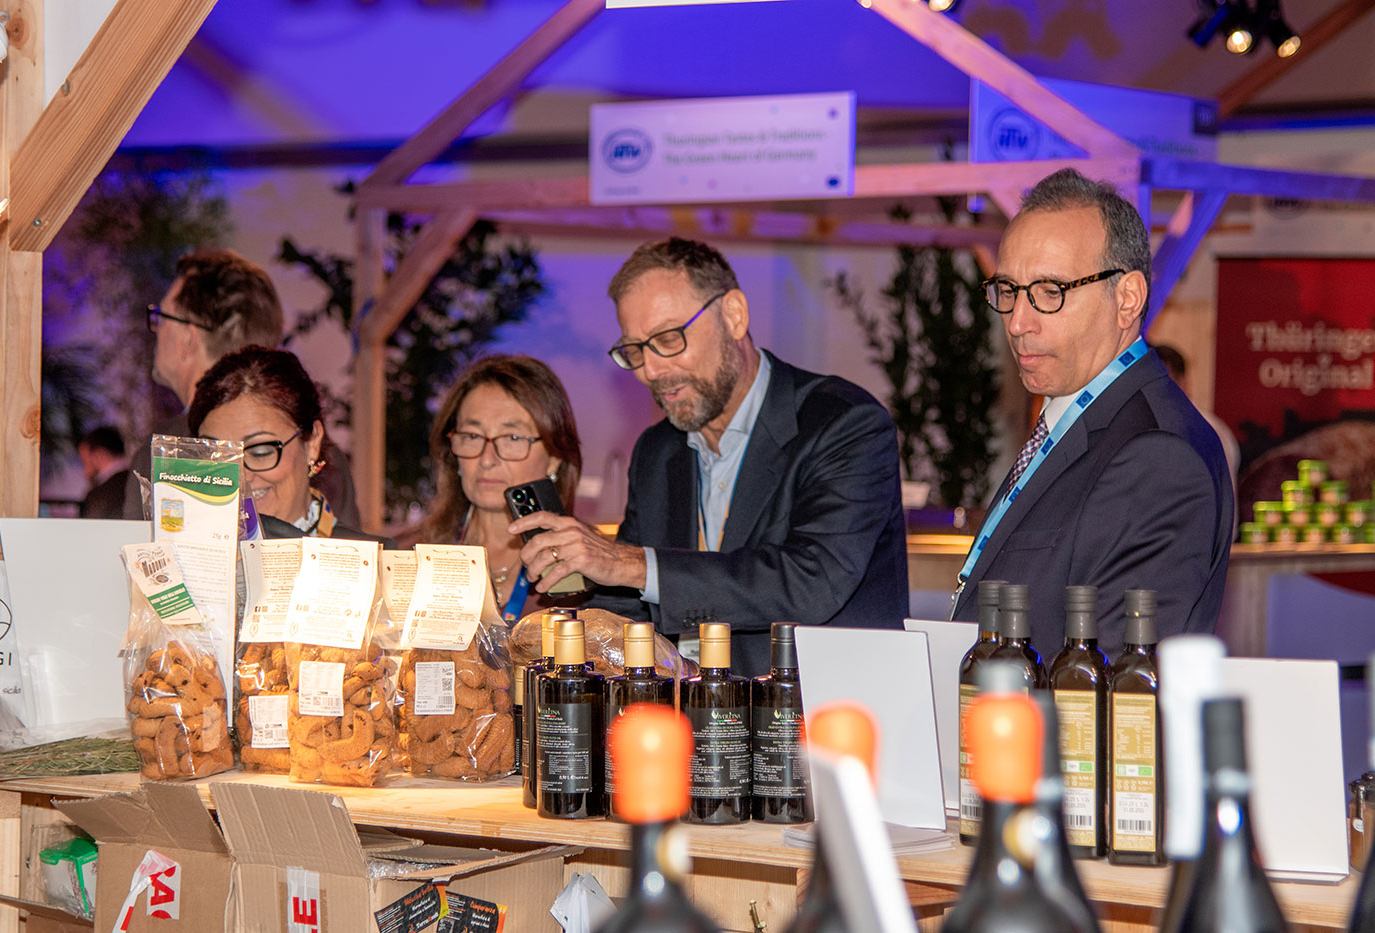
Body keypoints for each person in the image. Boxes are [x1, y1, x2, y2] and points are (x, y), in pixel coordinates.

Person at [509, 237, 909, 677]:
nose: (651, 371)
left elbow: (812, 581)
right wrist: (558, 607)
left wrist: (625, 562)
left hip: (825, 710)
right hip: (684, 712)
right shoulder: (658, 451)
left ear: (734, 315)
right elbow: (634, 603)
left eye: (668, 338)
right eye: (635, 351)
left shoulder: (843, 422)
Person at [950, 168, 1233, 657]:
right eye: (1009, 291)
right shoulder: (1078, 420)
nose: (1017, 322)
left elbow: (1109, 675)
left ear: (1127, 299)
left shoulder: (1158, 456)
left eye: (1049, 292)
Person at [123, 248, 360, 527]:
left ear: (188, 338)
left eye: (161, 318)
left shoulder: (165, 455)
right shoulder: (320, 454)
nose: (244, 474)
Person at [406, 355, 584, 621]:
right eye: (472, 436)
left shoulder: (588, 569)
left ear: (554, 457)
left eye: (512, 437)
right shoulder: (409, 559)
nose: (487, 460)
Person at [187, 346, 381, 544]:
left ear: (312, 443)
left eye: (260, 452)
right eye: (217, 455)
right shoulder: (179, 553)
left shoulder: (368, 560)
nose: (238, 477)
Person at [1153, 343, 1241, 505]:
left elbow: (1215, 500)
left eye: (1162, 383)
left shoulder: (1205, 430)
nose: (1154, 393)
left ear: (1183, 383)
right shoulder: (1156, 427)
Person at [77, 425, 130, 519]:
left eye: (85, 461)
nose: (85, 471)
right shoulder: (140, 481)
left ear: (99, 454)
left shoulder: (98, 496)